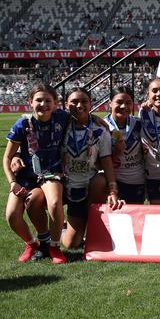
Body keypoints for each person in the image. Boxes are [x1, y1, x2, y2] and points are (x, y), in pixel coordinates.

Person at [4, 83, 67, 263]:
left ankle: (54, 247)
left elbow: (86, 118)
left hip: (50, 172)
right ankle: (32, 244)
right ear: (30, 102)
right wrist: (12, 182)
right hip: (25, 176)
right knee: (12, 216)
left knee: (54, 203)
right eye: (39, 100)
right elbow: (7, 158)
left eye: (48, 100)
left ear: (56, 103)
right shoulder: (22, 124)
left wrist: (101, 121)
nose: (43, 104)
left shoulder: (62, 117)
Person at [62, 87, 121, 249]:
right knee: (71, 244)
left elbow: (107, 161)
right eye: (74, 101)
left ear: (91, 103)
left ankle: (85, 226)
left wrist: (112, 188)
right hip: (63, 183)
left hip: (88, 184)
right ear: (66, 104)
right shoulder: (60, 125)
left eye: (84, 101)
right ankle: (59, 229)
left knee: (72, 243)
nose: (79, 105)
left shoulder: (100, 130)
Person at [105, 86, 145, 204]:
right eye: (119, 102)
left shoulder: (139, 123)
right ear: (110, 103)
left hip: (137, 181)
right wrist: (115, 153)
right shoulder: (103, 127)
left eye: (128, 103)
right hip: (113, 181)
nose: (124, 107)